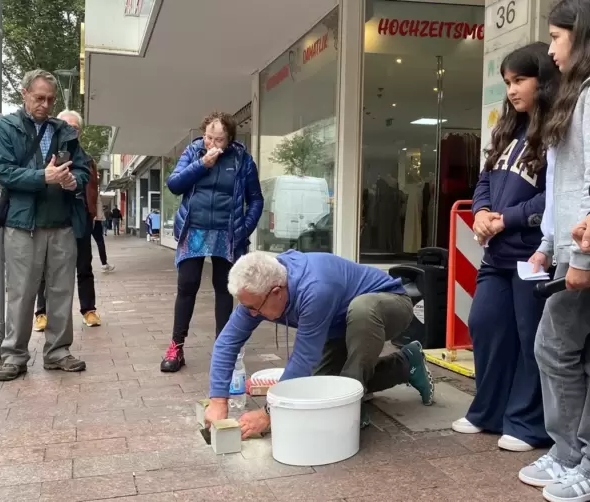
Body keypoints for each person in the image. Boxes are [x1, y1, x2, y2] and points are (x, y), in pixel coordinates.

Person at [451, 43, 558, 453]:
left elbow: (554, 197)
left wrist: (505, 219)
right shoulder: (506, 129)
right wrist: (479, 212)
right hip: (496, 254)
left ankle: (528, 424)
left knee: (531, 338)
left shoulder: (557, 131)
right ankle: (488, 413)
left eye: (521, 80)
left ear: (544, 80)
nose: (512, 90)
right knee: (485, 325)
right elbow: (484, 181)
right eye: (508, 82)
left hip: (534, 256)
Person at [203, 251, 435, 436]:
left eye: (254, 308)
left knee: (362, 310)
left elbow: (304, 357)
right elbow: (226, 343)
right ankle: (407, 364)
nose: (250, 314)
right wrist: (217, 400)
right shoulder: (258, 293)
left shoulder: (314, 288)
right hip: (339, 324)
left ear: (276, 292)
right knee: (316, 392)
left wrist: (268, 413)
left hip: (389, 306)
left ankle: (351, 406)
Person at [517, 2, 590, 499]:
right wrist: (547, 245)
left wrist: (582, 258)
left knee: (558, 349)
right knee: (558, 349)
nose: (549, 48)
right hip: (569, 249)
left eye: (556, 37)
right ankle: (570, 455)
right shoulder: (576, 97)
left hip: (584, 253)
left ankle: (579, 461)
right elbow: (566, 185)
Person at [0, 70, 90, 381]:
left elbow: (84, 168)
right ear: (24, 94)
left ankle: (58, 351)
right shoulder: (5, 128)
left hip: (61, 223)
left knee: (61, 291)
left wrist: (74, 181)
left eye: (49, 99)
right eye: (39, 98)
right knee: (21, 292)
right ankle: (15, 355)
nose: (45, 104)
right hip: (23, 225)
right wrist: (42, 177)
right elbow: (4, 172)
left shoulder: (65, 131)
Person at [160, 111, 264, 373]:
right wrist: (201, 164)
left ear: (229, 140)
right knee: (187, 286)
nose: (212, 144)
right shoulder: (193, 152)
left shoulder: (242, 160)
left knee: (224, 288)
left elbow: (256, 199)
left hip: (226, 233)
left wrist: (244, 229)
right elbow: (174, 184)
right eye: (208, 138)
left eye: (219, 140)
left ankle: (223, 350)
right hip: (194, 229)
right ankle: (176, 346)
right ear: (203, 134)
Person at [32, 109, 104, 332]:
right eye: (65, 126)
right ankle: (41, 313)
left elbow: (92, 190)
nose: (70, 131)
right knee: (46, 269)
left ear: (79, 131)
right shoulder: (45, 153)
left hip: (79, 217)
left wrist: (93, 214)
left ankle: (88, 310)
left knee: (84, 265)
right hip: (51, 218)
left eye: (74, 128)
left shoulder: (85, 158)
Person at [89, 166, 114, 272]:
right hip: (94, 218)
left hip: (93, 218)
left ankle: (103, 263)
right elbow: (92, 201)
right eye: (97, 174)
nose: (99, 176)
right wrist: (94, 216)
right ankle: (103, 264)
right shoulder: (91, 185)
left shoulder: (92, 184)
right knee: (99, 242)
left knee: (93, 242)